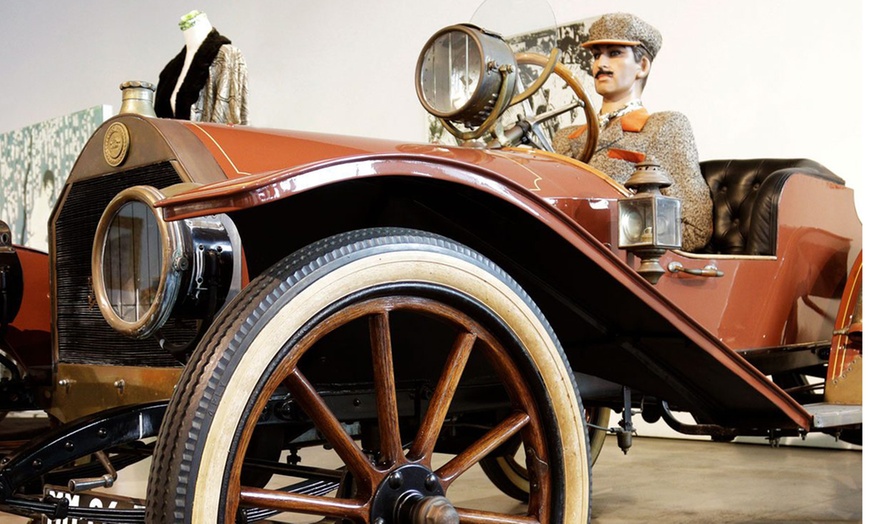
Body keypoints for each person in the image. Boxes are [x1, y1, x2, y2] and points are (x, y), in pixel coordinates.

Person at [553, 13, 712, 251]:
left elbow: (694, 228)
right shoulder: (566, 138)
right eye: (597, 55)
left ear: (643, 66)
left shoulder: (663, 127)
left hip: (620, 266)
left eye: (614, 53)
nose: (600, 64)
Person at [154, 10, 249, 125]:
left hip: (208, 142)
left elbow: (228, 118)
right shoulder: (170, 70)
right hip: (172, 142)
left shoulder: (227, 56)